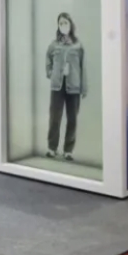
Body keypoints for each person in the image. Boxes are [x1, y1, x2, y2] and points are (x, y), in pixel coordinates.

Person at [46, 12, 86, 161]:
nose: (63, 26)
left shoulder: (78, 45)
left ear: (70, 24)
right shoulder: (54, 45)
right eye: (61, 23)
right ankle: (52, 148)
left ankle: (68, 150)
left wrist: (84, 87)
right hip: (57, 86)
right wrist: (50, 73)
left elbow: (83, 67)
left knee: (72, 118)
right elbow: (48, 60)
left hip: (73, 86)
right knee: (54, 118)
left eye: (65, 23)